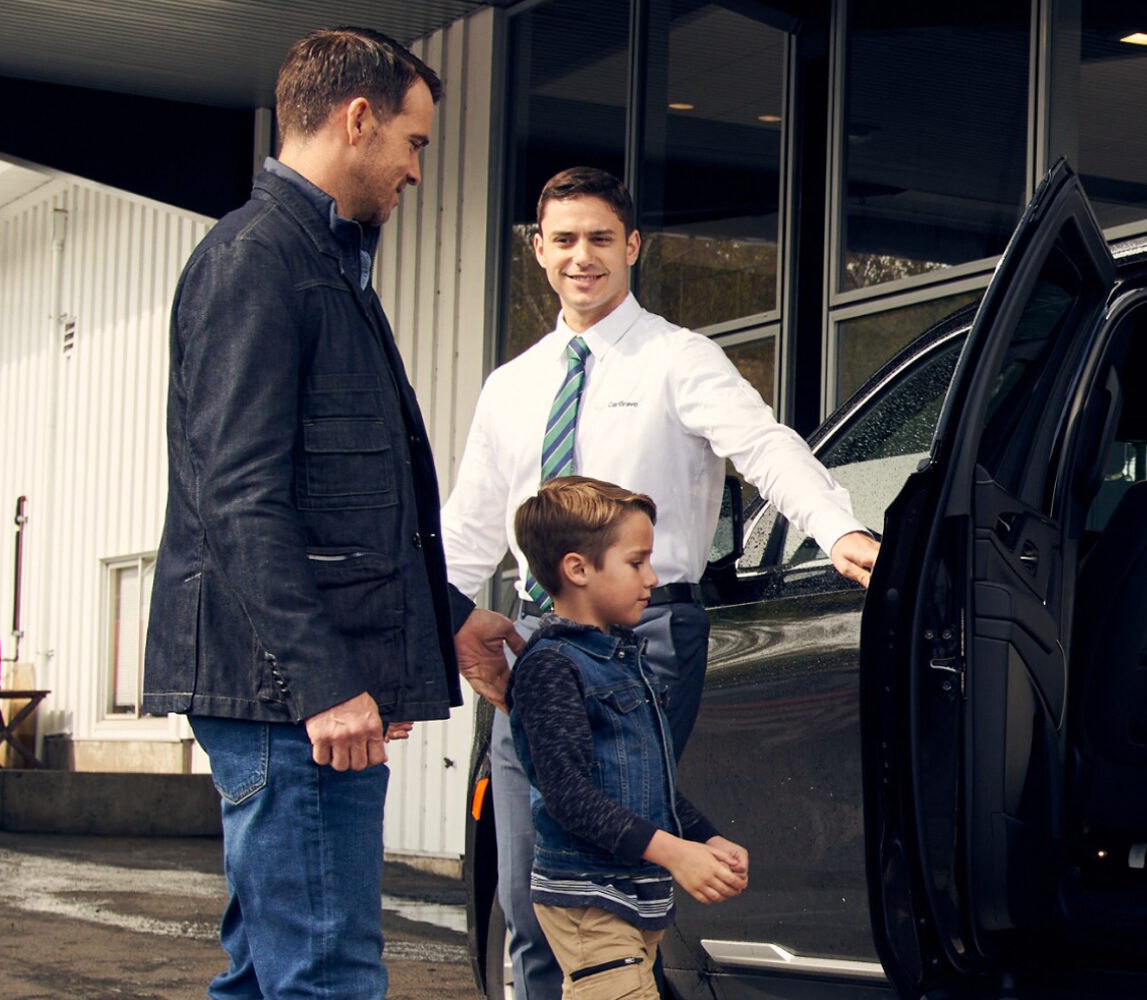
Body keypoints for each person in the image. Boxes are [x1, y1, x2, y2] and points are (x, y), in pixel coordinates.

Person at [440, 165, 880, 998]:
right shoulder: (512, 387)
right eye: (564, 240)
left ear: (633, 246)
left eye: (601, 239)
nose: (582, 257)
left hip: (643, 642)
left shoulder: (679, 360)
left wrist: (838, 526)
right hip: (534, 638)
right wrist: (446, 630)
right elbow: (465, 530)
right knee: (527, 892)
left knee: (609, 881)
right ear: (538, 250)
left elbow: (764, 444)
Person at [142, 27, 517, 1000]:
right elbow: (240, 492)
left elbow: (342, 505)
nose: (416, 170)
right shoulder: (261, 261)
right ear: (358, 119)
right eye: (415, 141)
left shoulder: (318, 260)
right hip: (288, 701)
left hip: (295, 693)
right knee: (328, 973)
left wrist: (448, 620)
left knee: (270, 971)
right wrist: (319, 681)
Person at [507, 476, 748, 1000]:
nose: (652, 577)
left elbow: (648, 781)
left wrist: (704, 837)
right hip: (588, 898)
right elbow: (568, 796)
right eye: (636, 563)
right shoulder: (550, 668)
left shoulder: (622, 662)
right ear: (577, 569)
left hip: (630, 895)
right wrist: (673, 854)